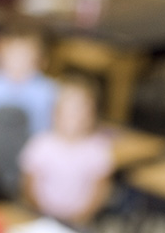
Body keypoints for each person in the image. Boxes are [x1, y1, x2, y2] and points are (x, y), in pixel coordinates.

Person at [20, 75, 115, 225]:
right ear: (55, 113)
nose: (73, 117)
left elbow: (101, 191)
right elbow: (28, 186)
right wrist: (42, 213)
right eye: (68, 110)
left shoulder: (98, 149)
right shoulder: (40, 144)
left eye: (79, 111)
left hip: (81, 223)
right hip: (42, 218)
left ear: (91, 115)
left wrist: (81, 218)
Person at [0, 26, 58, 137]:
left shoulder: (48, 91)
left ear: (39, 60)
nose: (18, 63)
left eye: (24, 57)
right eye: (12, 56)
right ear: (0, 58)